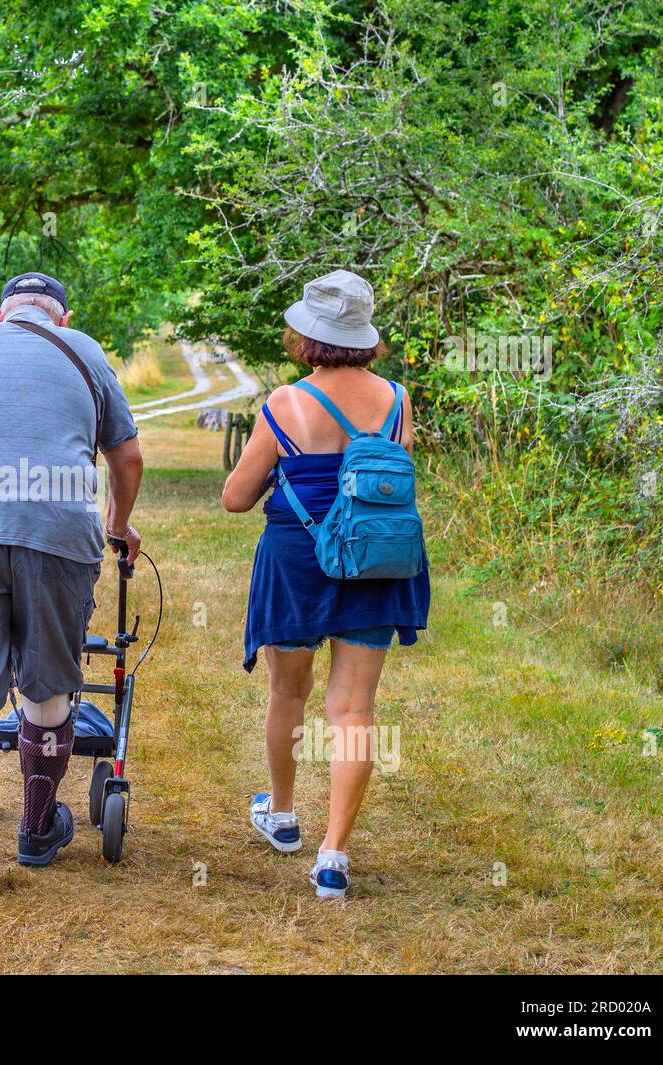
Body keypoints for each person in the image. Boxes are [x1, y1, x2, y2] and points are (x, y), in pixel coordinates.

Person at [0, 271, 144, 900]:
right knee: (46, 684)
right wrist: (118, 527)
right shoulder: (85, 350)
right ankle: (37, 832)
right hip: (56, 529)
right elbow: (127, 457)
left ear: (0, 313)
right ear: (61, 319)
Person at [222, 269, 430, 899]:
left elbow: (235, 498)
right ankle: (334, 857)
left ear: (307, 335)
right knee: (354, 712)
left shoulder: (284, 404)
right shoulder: (396, 399)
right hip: (374, 559)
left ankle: (282, 816)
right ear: (364, 334)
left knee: (290, 691)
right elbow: (389, 481)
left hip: (298, 559)